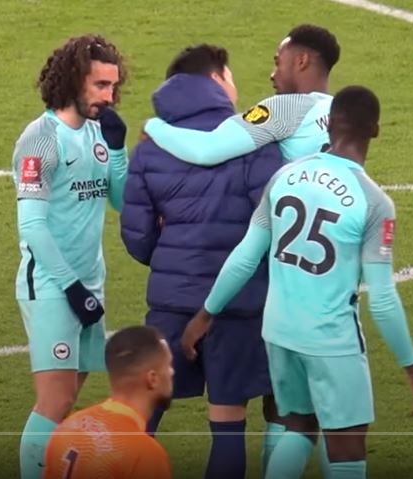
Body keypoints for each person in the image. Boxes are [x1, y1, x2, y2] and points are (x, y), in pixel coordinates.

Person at [181, 85, 413, 479]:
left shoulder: (285, 176)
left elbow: (246, 255)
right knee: (347, 446)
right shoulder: (374, 203)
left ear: (329, 125)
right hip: (331, 340)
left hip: (279, 332)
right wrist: (412, 369)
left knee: (299, 427)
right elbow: (382, 299)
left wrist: (205, 314)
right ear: (376, 130)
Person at [121, 44, 284, 478]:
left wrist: (174, 259)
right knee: (228, 422)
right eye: (230, 75)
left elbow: (137, 237)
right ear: (216, 78)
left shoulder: (151, 147)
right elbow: (275, 223)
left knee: (143, 413)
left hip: (171, 303)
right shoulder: (254, 140)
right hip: (238, 306)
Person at [12, 34, 128, 479]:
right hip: (52, 286)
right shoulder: (40, 140)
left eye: (113, 86)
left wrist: (118, 150)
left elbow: (121, 200)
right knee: (55, 401)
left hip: (89, 283)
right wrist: (72, 288)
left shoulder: (98, 133)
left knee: (66, 402)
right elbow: (32, 227)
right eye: (100, 85)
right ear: (74, 80)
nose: (109, 97)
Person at [143, 24, 340, 165]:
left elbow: (207, 150)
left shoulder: (287, 107)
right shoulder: (343, 113)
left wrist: (153, 126)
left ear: (301, 61)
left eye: (278, 62)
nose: (273, 75)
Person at [43, 325, 173, 479]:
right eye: (168, 365)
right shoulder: (145, 455)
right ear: (152, 379)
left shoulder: (68, 427)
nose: (172, 372)